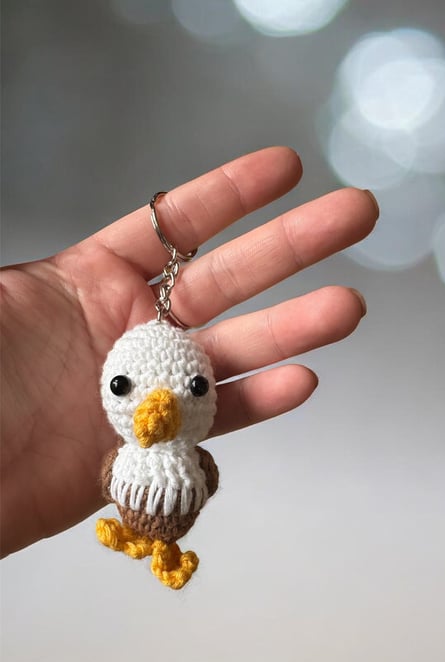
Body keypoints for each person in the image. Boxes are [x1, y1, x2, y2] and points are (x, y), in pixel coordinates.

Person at [0, 146, 378, 557]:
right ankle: (146, 543)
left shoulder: (156, 452)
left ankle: (162, 548)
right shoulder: (129, 454)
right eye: (123, 386)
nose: (159, 405)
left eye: (196, 387)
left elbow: (192, 476)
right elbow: (172, 478)